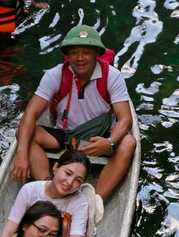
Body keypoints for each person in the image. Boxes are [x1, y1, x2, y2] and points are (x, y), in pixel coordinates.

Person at [12, 25, 137, 199]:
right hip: (66, 138)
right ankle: (49, 190)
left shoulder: (112, 76)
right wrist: (21, 154)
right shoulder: (55, 75)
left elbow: (125, 119)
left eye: (86, 53)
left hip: (98, 140)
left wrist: (109, 142)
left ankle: (94, 201)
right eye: (74, 53)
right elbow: (30, 114)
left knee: (128, 142)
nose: (80, 58)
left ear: (96, 54)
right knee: (24, 133)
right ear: (68, 55)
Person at [0, 149, 102, 237]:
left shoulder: (79, 202)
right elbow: (9, 231)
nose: (69, 182)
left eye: (78, 180)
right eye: (68, 173)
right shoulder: (30, 191)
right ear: (56, 167)